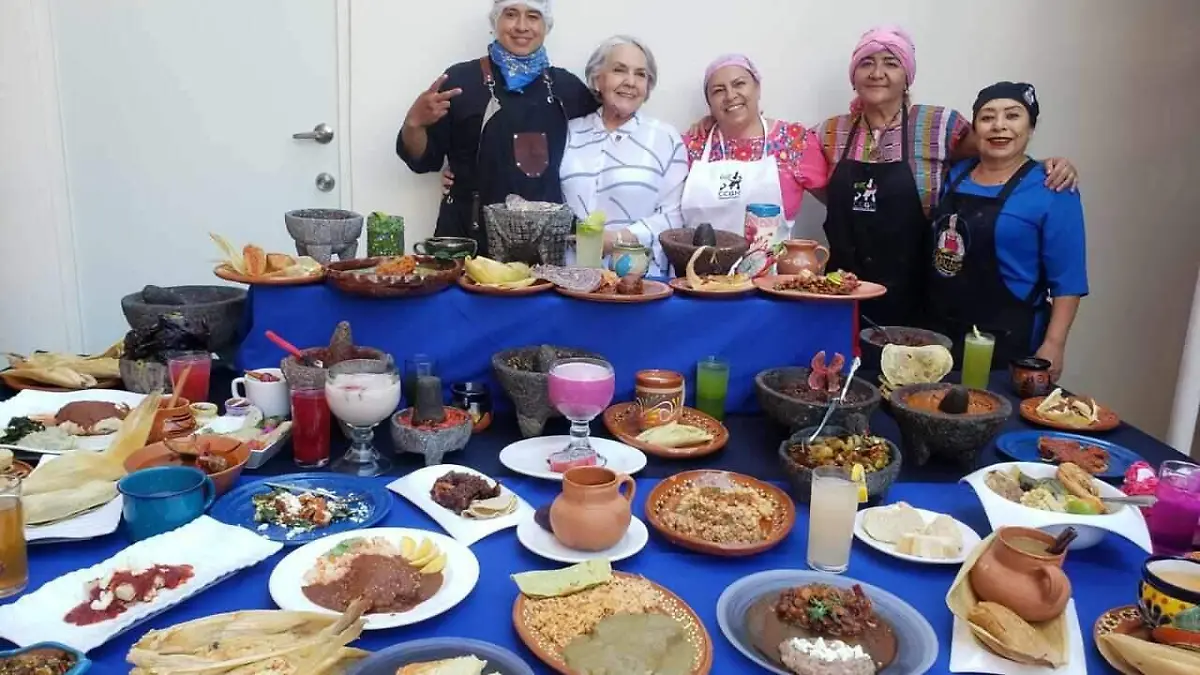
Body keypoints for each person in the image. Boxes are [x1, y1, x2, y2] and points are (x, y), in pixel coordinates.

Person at [816, 26, 1079, 327]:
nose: (877, 73)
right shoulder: (829, 131)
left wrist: (1046, 165)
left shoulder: (938, 124)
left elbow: (995, 149)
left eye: (891, 63)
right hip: (840, 296)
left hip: (916, 302)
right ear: (854, 77)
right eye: (866, 63)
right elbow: (789, 164)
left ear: (907, 77)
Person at [396, 0, 596, 256]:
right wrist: (414, 124)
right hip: (467, 238)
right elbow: (424, 161)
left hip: (546, 245)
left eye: (533, 16)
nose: (522, 26)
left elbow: (598, 147)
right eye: (510, 14)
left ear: (546, 25)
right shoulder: (460, 80)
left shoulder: (566, 87)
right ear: (495, 22)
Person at [925, 82, 1087, 381]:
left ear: (1031, 127)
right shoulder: (956, 175)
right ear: (975, 129)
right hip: (941, 335)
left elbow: (1068, 281)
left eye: (1013, 116)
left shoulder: (1053, 188)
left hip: (1010, 340)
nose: (999, 126)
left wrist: (1054, 345)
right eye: (987, 117)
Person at [679, 54, 829, 269]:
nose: (730, 95)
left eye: (739, 83)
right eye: (718, 90)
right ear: (709, 104)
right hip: (698, 281)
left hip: (772, 285)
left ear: (757, 88)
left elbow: (837, 205)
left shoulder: (794, 142)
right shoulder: (691, 145)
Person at [560, 36, 687, 275]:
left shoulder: (665, 138)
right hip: (569, 278)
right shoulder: (567, 132)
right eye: (619, 70)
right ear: (597, 79)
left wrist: (618, 239)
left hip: (640, 280)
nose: (630, 82)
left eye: (640, 74)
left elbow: (675, 214)